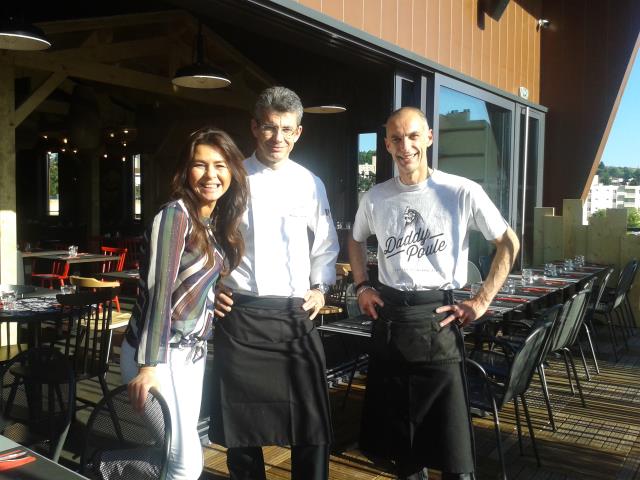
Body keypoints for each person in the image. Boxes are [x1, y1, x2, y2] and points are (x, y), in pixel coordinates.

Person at [348, 106, 520, 480]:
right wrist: (361, 285)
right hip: (390, 321)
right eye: (395, 138)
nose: (404, 145)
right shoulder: (375, 197)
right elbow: (356, 239)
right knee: (402, 452)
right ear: (387, 144)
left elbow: (508, 241)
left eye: (412, 136)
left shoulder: (460, 191)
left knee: (453, 452)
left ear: (428, 137)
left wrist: (482, 300)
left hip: (439, 322)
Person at [210, 86, 339, 480]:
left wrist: (322, 287)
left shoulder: (310, 183)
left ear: (299, 132)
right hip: (241, 313)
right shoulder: (231, 178)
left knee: (310, 422)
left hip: (293, 314)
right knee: (241, 430)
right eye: (269, 128)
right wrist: (211, 285)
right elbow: (207, 240)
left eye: (286, 129)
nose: (277, 138)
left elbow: (326, 244)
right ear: (254, 127)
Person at [121, 127, 248, 480]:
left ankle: (118, 469)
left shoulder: (212, 221)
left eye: (220, 165)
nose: (211, 175)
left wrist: (211, 295)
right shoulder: (175, 216)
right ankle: (109, 466)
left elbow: (189, 281)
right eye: (200, 165)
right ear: (185, 171)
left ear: (232, 171)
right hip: (158, 356)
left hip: (191, 355)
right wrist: (148, 366)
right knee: (186, 462)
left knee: (177, 452)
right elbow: (160, 291)